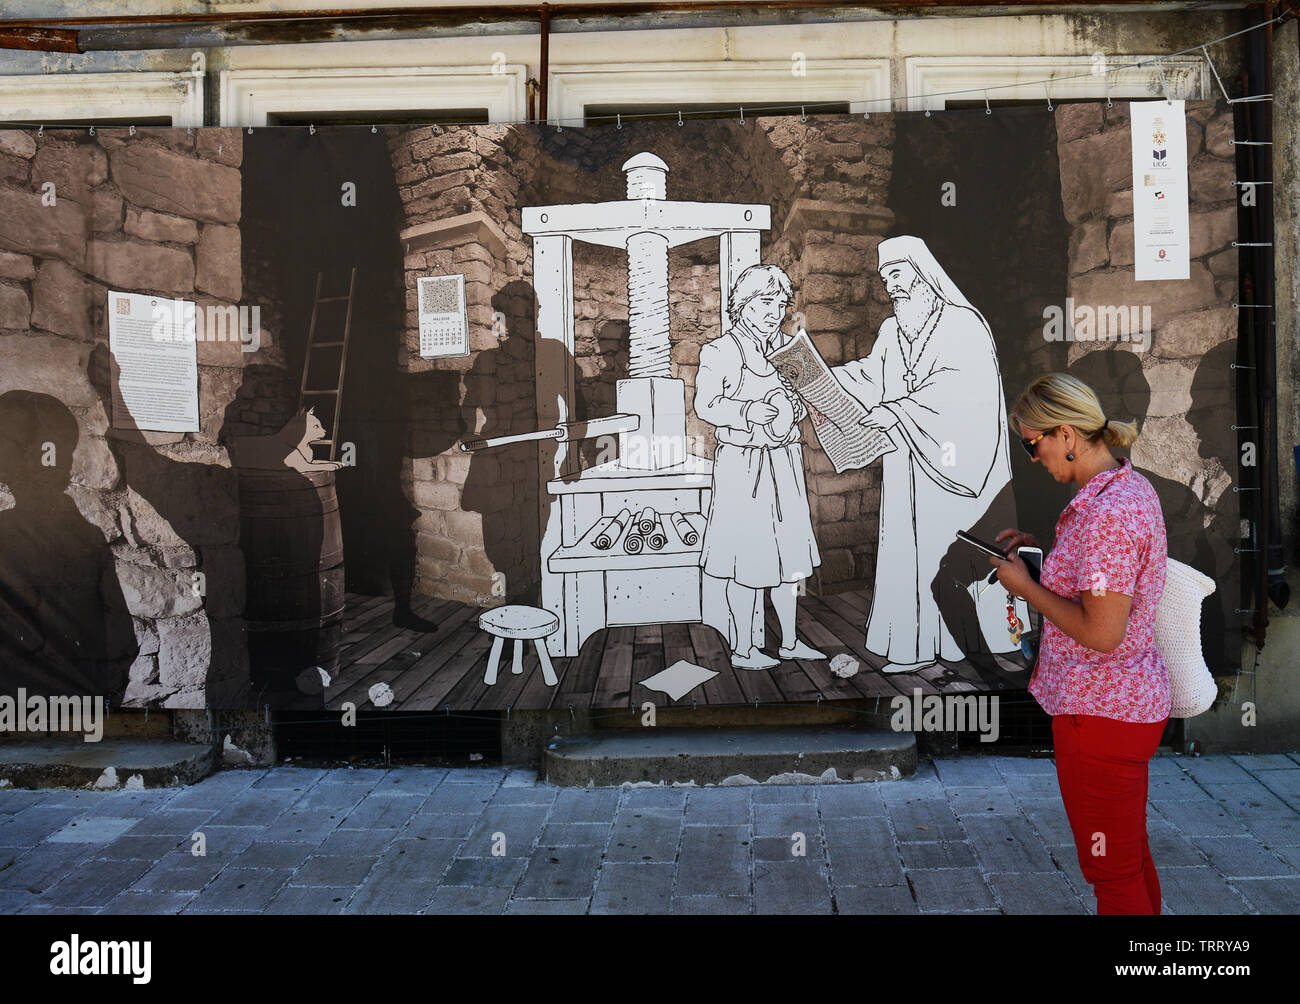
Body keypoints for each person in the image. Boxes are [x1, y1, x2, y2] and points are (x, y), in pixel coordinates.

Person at [992, 372, 1171, 915]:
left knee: (1111, 874)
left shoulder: (1107, 514)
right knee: (1128, 858)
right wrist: (1041, 557)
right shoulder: (1121, 488)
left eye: (1033, 443)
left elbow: (1102, 631)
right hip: (1120, 708)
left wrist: (1024, 587)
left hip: (1098, 713)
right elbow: (1101, 582)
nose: (1032, 456)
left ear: (1065, 434)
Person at [830, 235, 1015, 673]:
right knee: (911, 553)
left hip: (952, 465)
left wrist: (897, 413)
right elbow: (869, 375)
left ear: (921, 270)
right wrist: (823, 381)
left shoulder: (963, 324)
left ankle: (972, 641)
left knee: (947, 549)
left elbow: (960, 391)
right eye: (884, 277)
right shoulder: (892, 331)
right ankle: (915, 644)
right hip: (909, 463)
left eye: (897, 273)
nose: (890, 285)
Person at [696, 264, 826, 670]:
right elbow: (706, 405)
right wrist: (749, 410)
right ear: (743, 304)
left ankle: (789, 641)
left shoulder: (792, 350)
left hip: (784, 462)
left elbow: (810, 400)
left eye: (780, 303)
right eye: (765, 302)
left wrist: (801, 405)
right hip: (743, 465)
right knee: (745, 559)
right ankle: (744, 648)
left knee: (788, 558)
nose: (774, 311)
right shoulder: (720, 350)